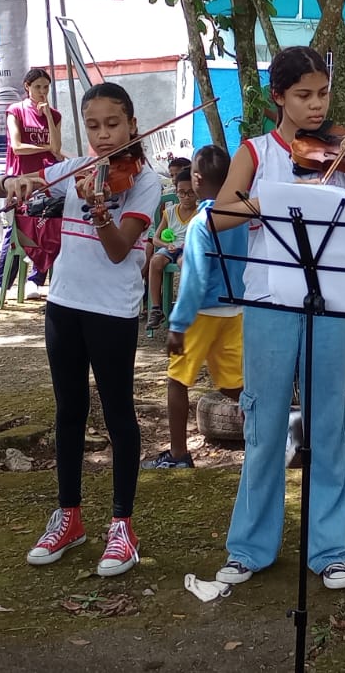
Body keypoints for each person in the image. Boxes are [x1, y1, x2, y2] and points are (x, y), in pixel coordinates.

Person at [206, 46, 345, 592]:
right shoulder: (254, 152)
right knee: (263, 426)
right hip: (270, 301)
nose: (316, 107)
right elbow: (221, 216)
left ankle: (332, 550)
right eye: (303, 96)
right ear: (278, 97)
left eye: (322, 94)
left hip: (331, 303)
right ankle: (249, 548)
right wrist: (270, 201)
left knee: (331, 426)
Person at [0, 82, 161, 578]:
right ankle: (69, 516)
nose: (104, 135)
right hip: (63, 304)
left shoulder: (145, 182)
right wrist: (13, 185)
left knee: (118, 414)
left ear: (132, 124)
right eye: (93, 126)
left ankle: (122, 526)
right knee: (68, 411)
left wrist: (99, 210)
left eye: (113, 124)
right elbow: (2, 185)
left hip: (111, 311)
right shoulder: (73, 170)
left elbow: (117, 248)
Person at [144, 145, 247, 469]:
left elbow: (194, 277)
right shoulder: (240, 215)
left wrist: (177, 324)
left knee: (177, 381)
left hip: (201, 313)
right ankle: (276, 433)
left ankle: (178, 455)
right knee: (234, 386)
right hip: (234, 311)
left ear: (198, 180)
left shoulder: (204, 222)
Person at [0, 68, 64, 302]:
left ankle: (36, 280)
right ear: (27, 87)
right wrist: (47, 148)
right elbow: (17, 146)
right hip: (19, 179)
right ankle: (1, 283)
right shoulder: (16, 111)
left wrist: (48, 116)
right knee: (16, 229)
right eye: (37, 87)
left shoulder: (55, 115)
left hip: (45, 179)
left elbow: (57, 147)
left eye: (46, 87)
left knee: (47, 225)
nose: (42, 92)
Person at [144, 169, 198, 329]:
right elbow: (155, 238)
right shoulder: (170, 212)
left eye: (190, 193)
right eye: (182, 193)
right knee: (155, 261)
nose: (186, 197)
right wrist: (167, 245)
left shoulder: (199, 212)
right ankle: (156, 308)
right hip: (170, 247)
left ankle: (183, 306)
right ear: (176, 192)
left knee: (184, 263)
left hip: (188, 248)